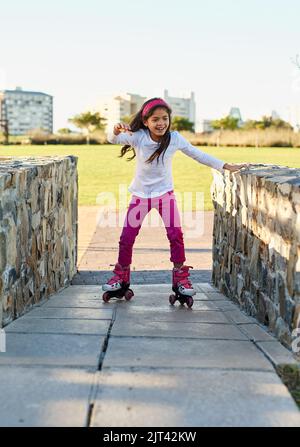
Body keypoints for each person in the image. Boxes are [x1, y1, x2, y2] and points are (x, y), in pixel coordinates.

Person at [102, 97, 249, 298]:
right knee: (127, 237)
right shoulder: (138, 137)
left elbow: (198, 154)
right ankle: (121, 277)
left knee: (175, 235)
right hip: (140, 196)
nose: (161, 123)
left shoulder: (175, 138)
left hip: (164, 195)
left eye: (164, 118)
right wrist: (115, 129)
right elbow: (112, 139)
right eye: (155, 119)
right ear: (146, 122)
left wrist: (225, 166)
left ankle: (180, 278)